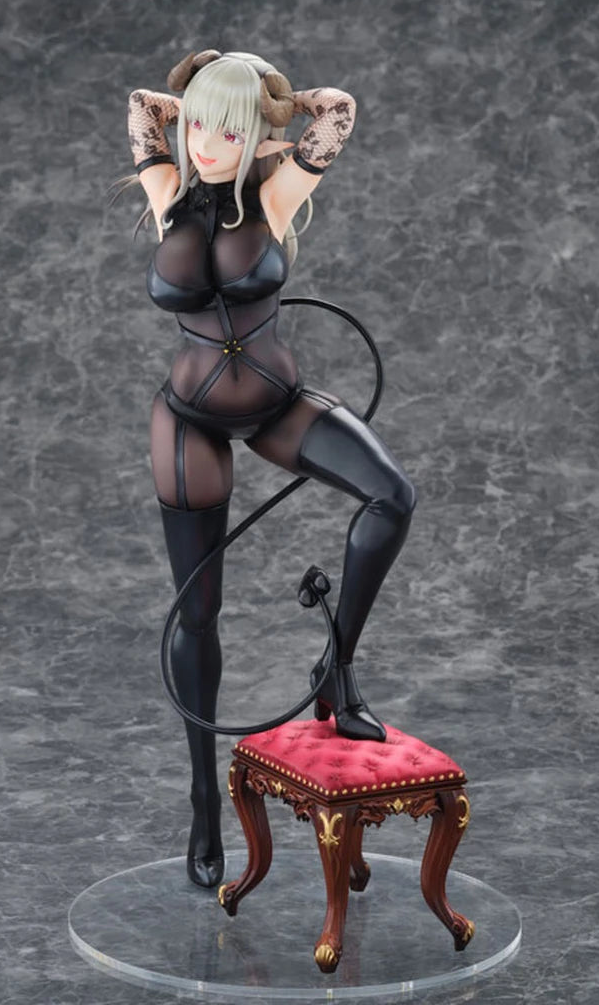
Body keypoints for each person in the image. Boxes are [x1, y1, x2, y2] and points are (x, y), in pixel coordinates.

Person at [126, 50, 416, 889]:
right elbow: (142, 105)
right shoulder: (167, 194)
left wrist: (271, 106)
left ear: (256, 135)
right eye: (199, 128)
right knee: (199, 615)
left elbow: (340, 110)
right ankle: (203, 805)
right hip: (188, 422)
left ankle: (336, 669)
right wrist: (202, 96)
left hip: (277, 404)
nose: (206, 144)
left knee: (392, 496)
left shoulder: (276, 194)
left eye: (229, 131)